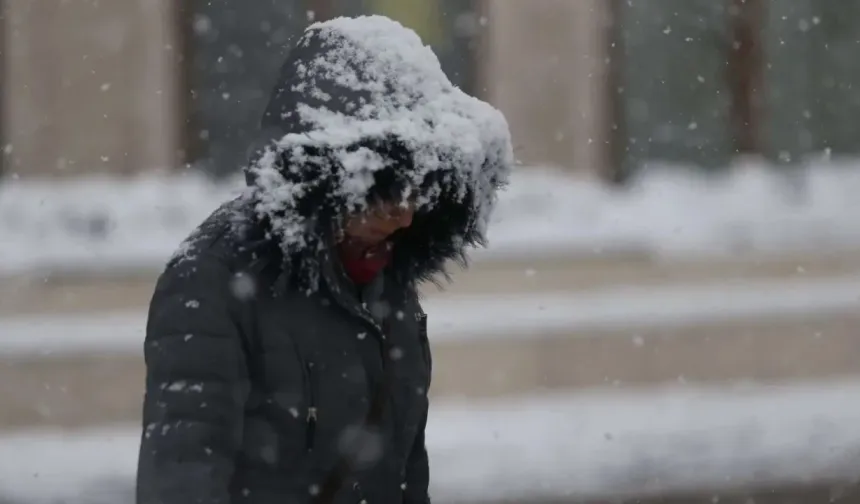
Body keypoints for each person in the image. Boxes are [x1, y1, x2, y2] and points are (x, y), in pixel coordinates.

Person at [136, 14, 512, 504]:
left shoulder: (386, 278)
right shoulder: (210, 277)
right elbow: (184, 469)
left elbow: (404, 468)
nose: (403, 215)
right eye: (381, 191)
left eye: (419, 191)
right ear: (325, 180)